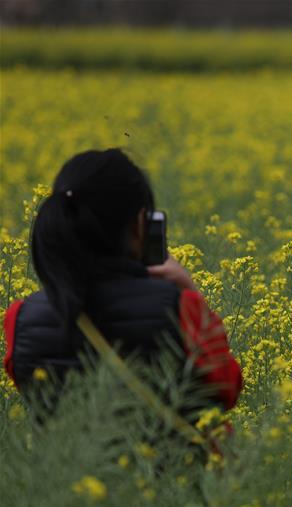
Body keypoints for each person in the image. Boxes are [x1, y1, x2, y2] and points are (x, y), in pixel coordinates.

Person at [3, 148, 241, 418]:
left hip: (73, 461)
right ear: (141, 225)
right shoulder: (179, 308)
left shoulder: (20, 319)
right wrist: (189, 290)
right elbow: (226, 389)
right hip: (170, 459)